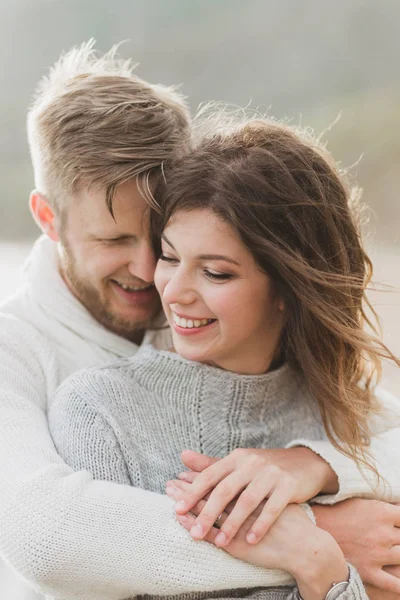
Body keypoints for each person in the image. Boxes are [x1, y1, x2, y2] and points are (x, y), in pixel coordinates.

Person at [0, 40, 398, 600]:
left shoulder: (213, 324)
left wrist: (314, 465)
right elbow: (46, 535)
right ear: (48, 218)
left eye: (160, 239)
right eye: (113, 239)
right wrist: (313, 535)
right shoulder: (14, 350)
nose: (148, 273)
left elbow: (380, 426)